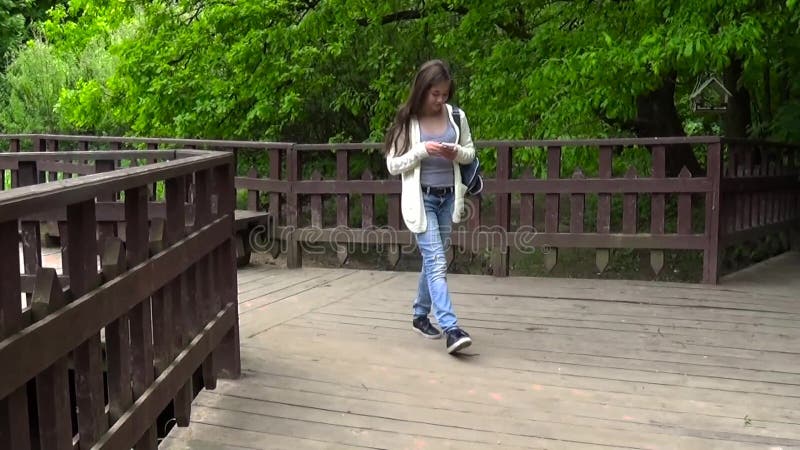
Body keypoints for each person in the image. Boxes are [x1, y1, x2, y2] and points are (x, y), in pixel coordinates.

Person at [383, 59, 476, 354]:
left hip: (450, 196)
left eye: (445, 94)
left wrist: (455, 152)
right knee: (437, 261)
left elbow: (470, 152)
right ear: (422, 90)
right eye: (435, 94)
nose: (440, 100)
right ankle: (451, 328)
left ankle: (420, 316)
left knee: (433, 259)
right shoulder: (407, 120)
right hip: (421, 199)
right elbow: (393, 164)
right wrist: (422, 150)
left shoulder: (457, 116)